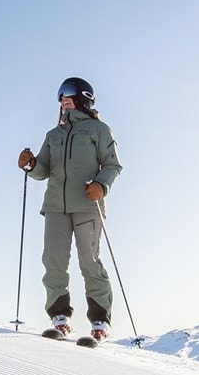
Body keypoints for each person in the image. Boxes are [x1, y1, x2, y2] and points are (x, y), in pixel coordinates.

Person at [18, 76, 123, 340]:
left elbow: (112, 165)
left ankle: (100, 320)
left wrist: (101, 185)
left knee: (89, 261)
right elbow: (43, 169)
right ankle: (59, 316)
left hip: (87, 204)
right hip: (55, 206)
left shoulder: (99, 130)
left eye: (68, 92)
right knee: (54, 261)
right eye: (60, 94)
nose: (62, 97)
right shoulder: (53, 135)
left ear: (84, 97)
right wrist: (30, 165)